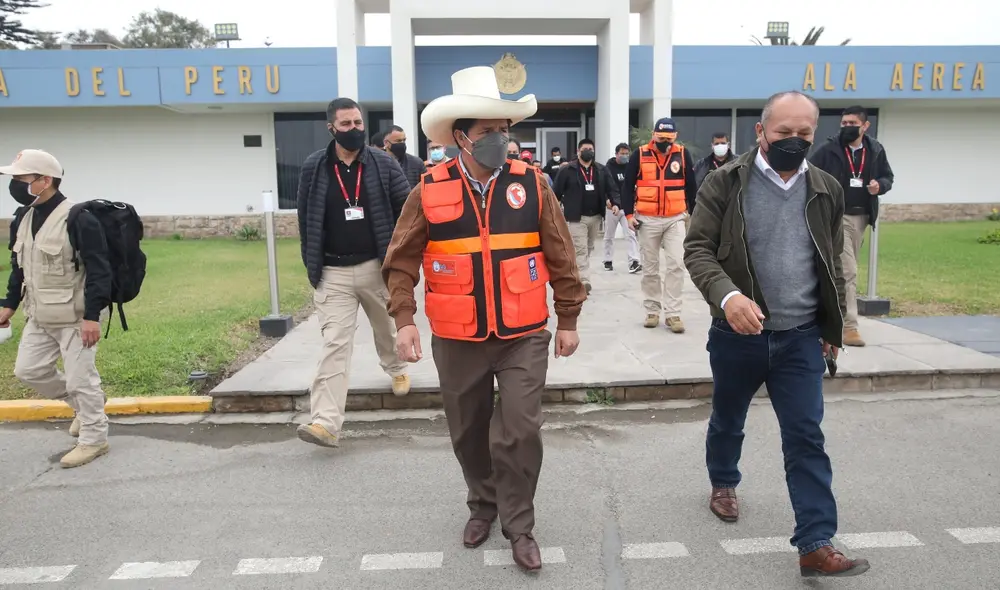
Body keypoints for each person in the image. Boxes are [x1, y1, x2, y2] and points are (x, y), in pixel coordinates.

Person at [382, 66, 586, 572]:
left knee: (519, 430)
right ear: (460, 138)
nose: (500, 141)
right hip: (457, 338)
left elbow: (561, 254)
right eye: (488, 133)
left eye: (504, 131)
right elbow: (401, 262)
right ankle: (483, 504)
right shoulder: (427, 191)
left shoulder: (532, 184)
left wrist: (568, 318)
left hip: (523, 335)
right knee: (468, 432)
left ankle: (520, 526)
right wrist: (405, 320)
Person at [683, 90, 869, 578]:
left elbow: (830, 264)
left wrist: (833, 327)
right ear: (760, 132)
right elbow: (698, 249)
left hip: (801, 338)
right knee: (728, 417)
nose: (793, 141)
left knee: (806, 437)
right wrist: (728, 297)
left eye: (803, 133)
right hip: (736, 334)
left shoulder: (826, 187)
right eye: (783, 132)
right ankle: (723, 481)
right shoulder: (725, 183)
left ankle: (815, 542)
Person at [294, 97, 413, 448]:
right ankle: (326, 423)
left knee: (387, 328)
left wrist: (399, 263)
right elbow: (306, 220)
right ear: (331, 128)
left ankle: (397, 369)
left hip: (376, 267)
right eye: (346, 125)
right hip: (333, 271)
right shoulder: (314, 167)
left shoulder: (383, 163)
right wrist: (312, 265)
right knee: (335, 344)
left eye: (358, 123)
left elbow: (406, 212)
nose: (354, 130)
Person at [0, 149, 113, 468]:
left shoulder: (79, 218)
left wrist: (92, 317)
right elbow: (18, 266)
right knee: (28, 370)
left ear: (44, 180)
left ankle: (94, 438)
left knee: (81, 379)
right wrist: (9, 304)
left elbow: (100, 271)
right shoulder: (23, 217)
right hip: (39, 314)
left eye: (21, 178)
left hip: (76, 317)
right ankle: (88, 405)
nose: (15, 184)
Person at [808, 105, 894, 348]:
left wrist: (881, 185)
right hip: (836, 216)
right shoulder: (829, 150)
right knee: (848, 270)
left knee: (843, 269)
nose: (847, 127)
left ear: (865, 126)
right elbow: (809, 174)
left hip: (861, 217)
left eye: (852, 123)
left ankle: (826, 314)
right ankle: (849, 326)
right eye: (844, 123)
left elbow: (888, 176)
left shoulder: (875, 150)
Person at [621, 117, 697, 333]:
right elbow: (627, 186)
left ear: (675, 137)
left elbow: (691, 186)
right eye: (661, 137)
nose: (664, 142)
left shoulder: (682, 154)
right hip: (647, 219)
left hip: (675, 218)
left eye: (669, 138)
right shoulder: (640, 154)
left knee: (676, 264)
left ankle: (673, 314)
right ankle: (652, 310)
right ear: (653, 135)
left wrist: (692, 213)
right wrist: (628, 215)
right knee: (651, 267)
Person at [553, 138, 619, 293]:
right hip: (576, 217)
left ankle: (575, 274)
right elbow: (555, 192)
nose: (588, 151)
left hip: (595, 216)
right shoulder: (567, 170)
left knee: (588, 248)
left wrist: (615, 203)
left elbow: (612, 189)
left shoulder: (601, 170)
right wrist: (553, 211)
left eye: (591, 148)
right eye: (585, 148)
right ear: (578, 151)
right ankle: (584, 281)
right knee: (580, 249)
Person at [603, 142, 640, 273]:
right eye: (622, 153)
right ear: (616, 154)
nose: (625, 156)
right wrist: (607, 199)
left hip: (627, 207)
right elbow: (605, 186)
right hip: (612, 207)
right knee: (609, 235)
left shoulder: (631, 167)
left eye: (626, 153)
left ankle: (634, 261)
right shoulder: (608, 168)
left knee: (631, 234)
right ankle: (607, 260)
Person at [384, 124, 428, 190]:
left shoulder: (416, 163)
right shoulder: (378, 163)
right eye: (398, 141)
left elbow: (426, 187)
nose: (402, 143)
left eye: (404, 140)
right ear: (386, 143)